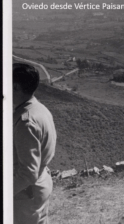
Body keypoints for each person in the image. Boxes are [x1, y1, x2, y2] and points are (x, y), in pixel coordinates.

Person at [13, 63, 57, 224]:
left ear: (16, 86)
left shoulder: (26, 121)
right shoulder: (39, 109)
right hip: (39, 185)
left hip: (24, 194)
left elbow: (27, 173)